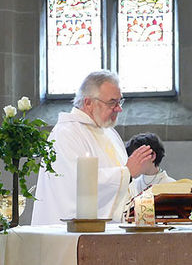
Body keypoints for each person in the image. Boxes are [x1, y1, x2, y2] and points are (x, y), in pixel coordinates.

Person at [32, 70, 155, 224]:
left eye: (119, 102)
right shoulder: (66, 134)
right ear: (88, 102)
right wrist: (127, 173)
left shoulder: (110, 133)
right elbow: (77, 186)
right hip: (71, 236)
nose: (119, 109)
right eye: (112, 102)